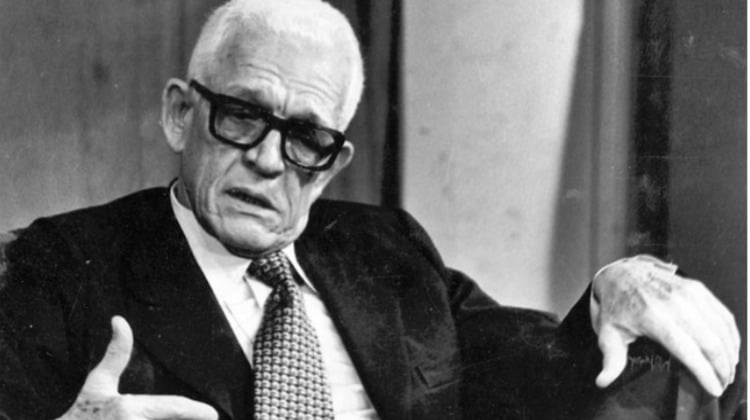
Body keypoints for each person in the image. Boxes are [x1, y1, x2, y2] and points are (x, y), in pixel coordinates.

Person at [0, 0, 742, 419]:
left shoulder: (385, 247)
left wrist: (614, 286)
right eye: (241, 115)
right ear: (180, 114)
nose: (268, 160)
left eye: (306, 138)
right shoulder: (60, 267)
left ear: (333, 162)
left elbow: (537, 369)